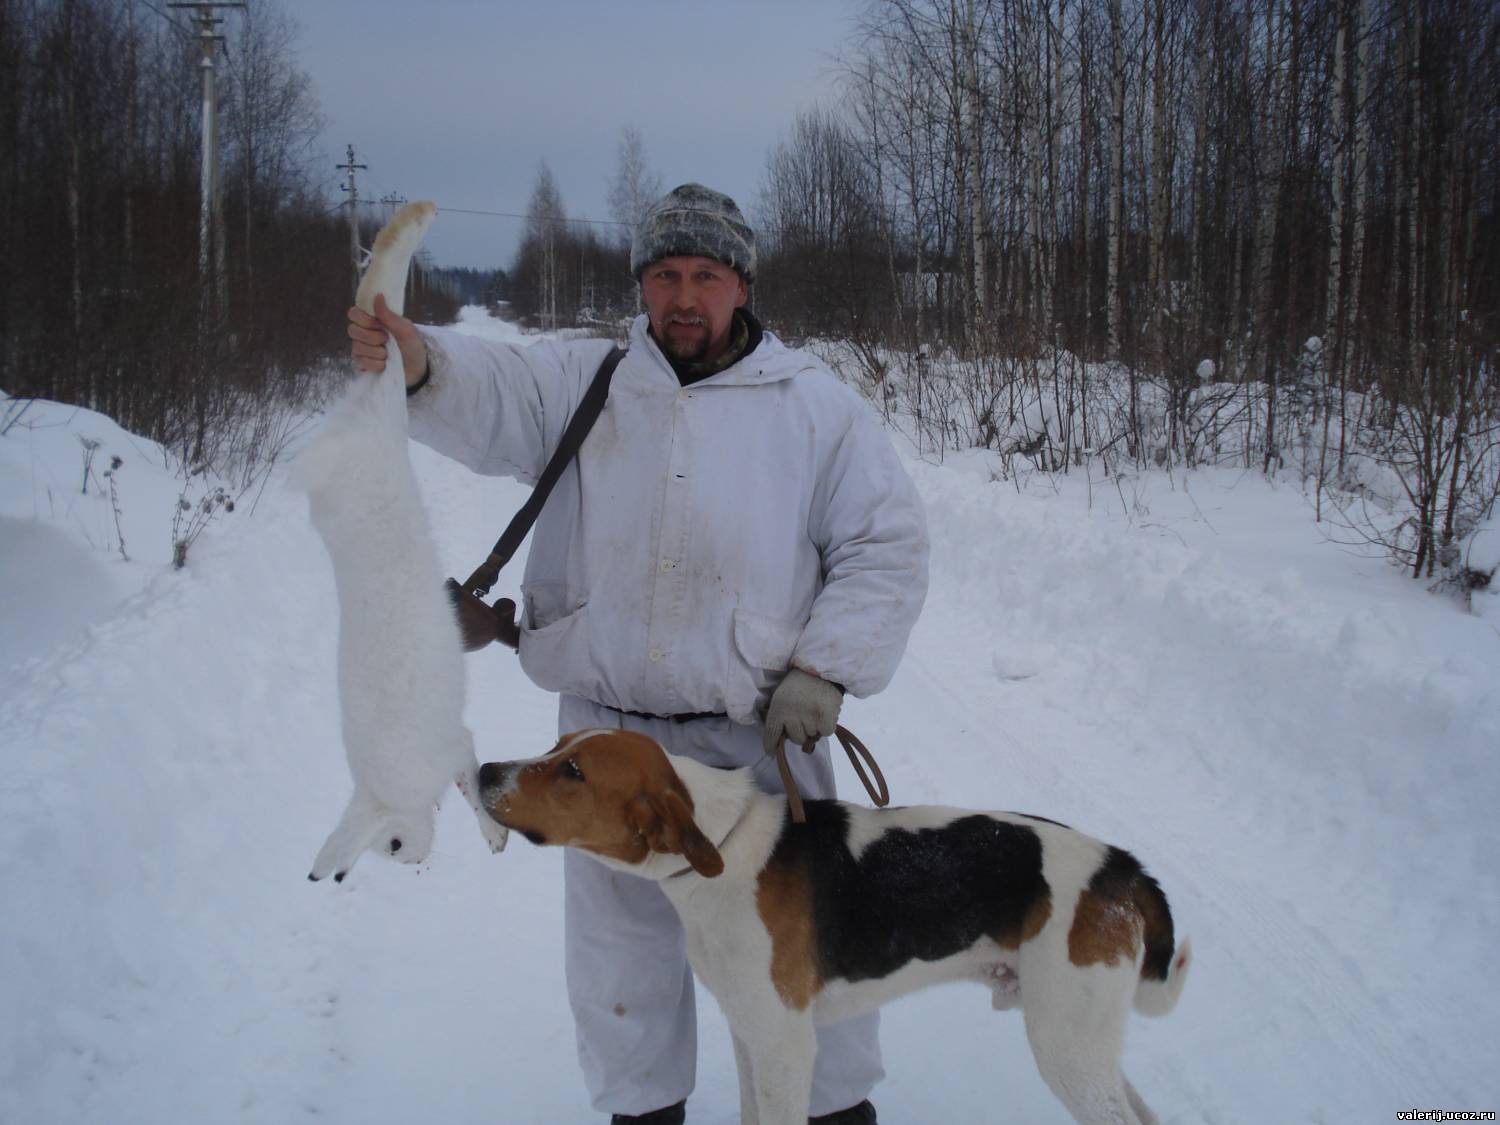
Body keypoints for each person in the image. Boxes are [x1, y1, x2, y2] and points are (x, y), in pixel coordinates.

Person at [347, 183, 928, 1125]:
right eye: (665, 275)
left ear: (742, 285)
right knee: (624, 976)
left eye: (705, 275)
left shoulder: (815, 410)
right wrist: (416, 360)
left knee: (799, 963)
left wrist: (825, 667)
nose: (684, 296)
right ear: (643, 285)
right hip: (604, 749)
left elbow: (886, 542)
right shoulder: (590, 381)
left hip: (760, 752)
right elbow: (489, 389)